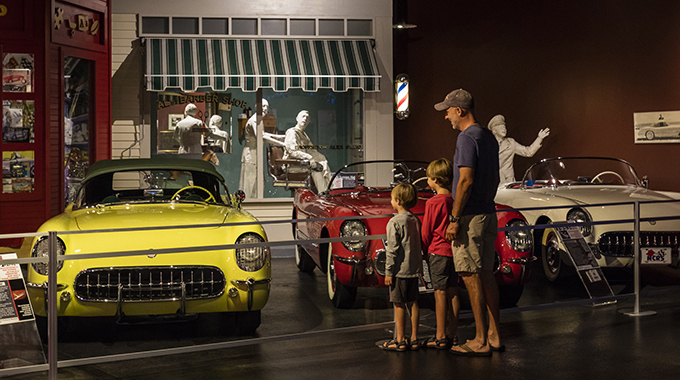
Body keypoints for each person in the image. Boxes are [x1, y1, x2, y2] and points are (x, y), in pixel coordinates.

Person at [435, 88, 501, 356]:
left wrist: (454, 218)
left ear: (460, 111)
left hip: (470, 216)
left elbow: (465, 179)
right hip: (488, 212)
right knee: (486, 274)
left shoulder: (466, 138)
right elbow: (495, 178)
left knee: (470, 275)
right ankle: (495, 335)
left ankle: (480, 339)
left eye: (449, 111)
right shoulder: (488, 136)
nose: (447, 116)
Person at [420, 158, 460, 350]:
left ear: (435, 179)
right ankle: (452, 332)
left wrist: (423, 247)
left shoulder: (432, 203)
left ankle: (440, 335)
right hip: (454, 251)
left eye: (428, 178)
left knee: (439, 293)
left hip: (437, 252)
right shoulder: (454, 201)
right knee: (453, 292)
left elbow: (426, 231)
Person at [379, 182, 423, 352]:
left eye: (391, 198)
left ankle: (400, 339)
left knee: (399, 304)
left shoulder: (394, 222)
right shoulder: (415, 220)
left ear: (397, 200)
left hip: (399, 271)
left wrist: (388, 272)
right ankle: (414, 338)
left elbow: (392, 250)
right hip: (414, 270)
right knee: (413, 303)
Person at [239, 99, 283, 198]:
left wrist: (280, 137)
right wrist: (281, 143)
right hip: (251, 154)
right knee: (251, 181)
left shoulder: (259, 120)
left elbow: (263, 134)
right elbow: (261, 136)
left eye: (267, 107)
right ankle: (250, 203)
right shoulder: (254, 120)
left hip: (255, 153)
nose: (265, 109)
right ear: (256, 107)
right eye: (263, 106)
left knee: (257, 180)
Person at [488, 114, 550, 184]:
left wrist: (539, 138)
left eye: (504, 127)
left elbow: (528, 152)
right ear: (494, 131)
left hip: (507, 183)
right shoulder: (487, 145)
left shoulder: (511, 143)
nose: (504, 129)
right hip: (491, 184)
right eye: (500, 127)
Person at [283, 110, 331, 192]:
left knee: (323, 165)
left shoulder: (304, 135)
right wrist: (308, 157)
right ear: (297, 118)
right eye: (303, 116)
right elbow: (292, 151)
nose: (305, 119)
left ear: (308, 122)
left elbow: (312, 151)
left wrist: (322, 159)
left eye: (307, 118)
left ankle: (330, 191)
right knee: (316, 170)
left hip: (303, 163)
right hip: (293, 165)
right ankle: (323, 194)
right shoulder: (292, 132)